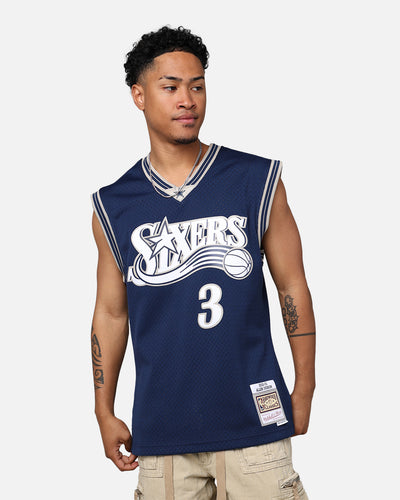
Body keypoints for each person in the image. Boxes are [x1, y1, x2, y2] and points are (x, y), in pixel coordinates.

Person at [91, 25, 316, 500]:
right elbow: (110, 313)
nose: (187, 100)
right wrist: (103, 409)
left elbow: (291, 285)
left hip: (254, 423)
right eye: (171, 87)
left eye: (197, 86)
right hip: (163, 432)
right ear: (139, 95)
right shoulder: (114, 205)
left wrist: (305, 385)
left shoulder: (256, 179)